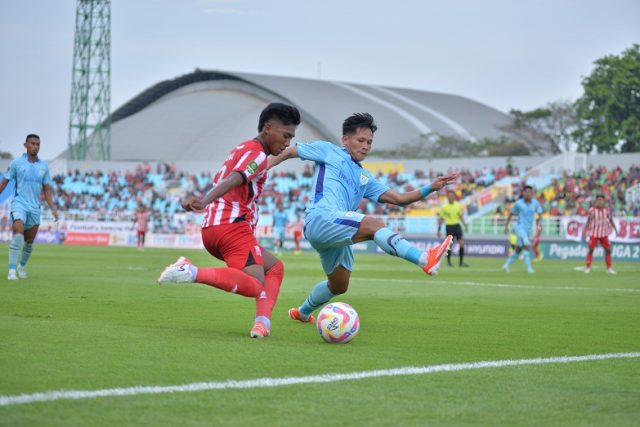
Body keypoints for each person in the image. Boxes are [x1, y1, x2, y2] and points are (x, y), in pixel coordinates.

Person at [268, 113, 457, 323]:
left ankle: (302, 313)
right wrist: (260, 169)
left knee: (339, 286)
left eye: (369, 142)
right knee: (374, 225)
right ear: (345, 139)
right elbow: (290, 151)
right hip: (321, 218)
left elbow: (400, 198)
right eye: (361, 140)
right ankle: (424, 259)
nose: (366, 146)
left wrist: (431, 187)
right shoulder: (329, 151)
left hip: (336, 229)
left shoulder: (365, 177)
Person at [157, 103, 301, 338]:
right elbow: (236, 178)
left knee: (274, 268)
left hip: (213, 229)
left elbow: (252, 169)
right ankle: (190, 271)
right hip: (232, 227)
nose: (287, 142)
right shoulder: (255, 154)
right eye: (286, 136)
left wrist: (293, 153)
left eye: (291, 138)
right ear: (268, 128)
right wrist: (204, 200)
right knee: (255, 283)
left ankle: (262, 324)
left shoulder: (245, 149)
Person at [0, 134, 59, 280]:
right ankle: (12, 271)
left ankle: (21, 266)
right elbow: (4, 183)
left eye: (38, 144)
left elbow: (47, 190)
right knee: (18, 232)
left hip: (34, 207)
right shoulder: (16, 163)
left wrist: (53, 208)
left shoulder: (44, 166)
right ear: (25, 145)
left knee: (29, 241)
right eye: (32, 144)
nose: (35, 146)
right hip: (19, 204)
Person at [502, 185, 543, 273]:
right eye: (526, 192)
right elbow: (511, 214)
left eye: (529, 192)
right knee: (527, 244)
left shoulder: (535, 203)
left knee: (519, 249)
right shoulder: (518, 203)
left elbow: (540, 215)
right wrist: (506, 227)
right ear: (523, 193)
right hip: (519, 227)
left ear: (532, 193)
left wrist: (540, 225)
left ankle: (506, 265)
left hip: (528, 229)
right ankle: (529, 268)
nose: (527, 194)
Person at [581, 194, 618, 274]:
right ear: (596, 201)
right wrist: (584, 232)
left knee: (608, 250)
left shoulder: (607, 210)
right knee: (591, 250)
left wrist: (615, 229)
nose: (600, 202)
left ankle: (609, 268)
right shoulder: (592, 210)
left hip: (604, 233)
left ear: (604, 201)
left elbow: (611, 220)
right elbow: (588, 222)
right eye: (598, 200)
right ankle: (588, 267)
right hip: (594, 233)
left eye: (601, 200)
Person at [437, 189, 469, 267]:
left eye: (452, 196)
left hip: (457, 226)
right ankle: (449, 262)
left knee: (461, 243)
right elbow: (441, 218)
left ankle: (461, 262)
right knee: (449, 245)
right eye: (449, 196)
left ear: (454, 197)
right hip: (449, 226)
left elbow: (460, 216)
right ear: (447, 197)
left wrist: (464, 224)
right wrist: (439, 229)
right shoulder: (444, 207)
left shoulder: (458, 205)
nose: (451, 197)